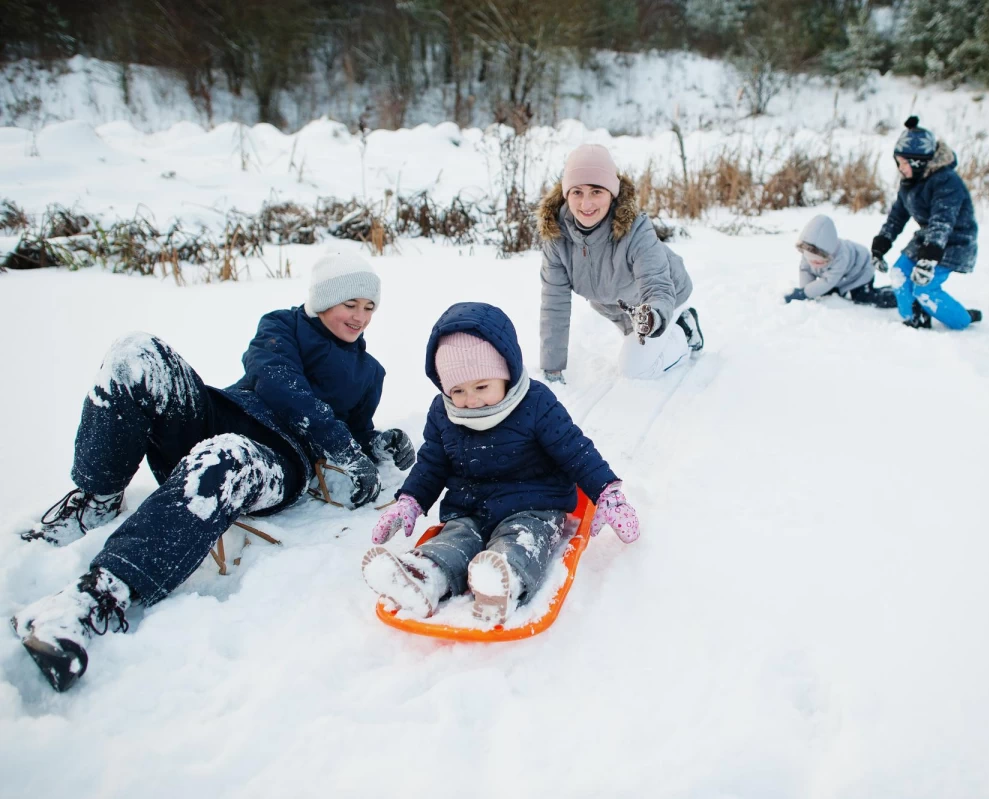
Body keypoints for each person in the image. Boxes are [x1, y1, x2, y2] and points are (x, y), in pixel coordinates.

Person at [12, 251, 414, 692]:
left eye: (369, 307)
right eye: (349, 304)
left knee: (226, 457)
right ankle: (98, 497)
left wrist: (374, 445)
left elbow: (355, 433)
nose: (360, 317)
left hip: (277, 461)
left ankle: (99, 597)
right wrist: (339, 441)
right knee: (136, 351)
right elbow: (276, 380)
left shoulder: (367, 372)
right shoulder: (283, 326)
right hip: (219, 413)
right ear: (322, 300)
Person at [363, 301, 639, 626]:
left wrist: (608, 493)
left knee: (524, 540)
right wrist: (409, 502)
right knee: (455, 539)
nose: (472, 400)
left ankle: (503, 581)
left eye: (482, 386)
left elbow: (574, 450)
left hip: (534, 506)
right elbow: (431, 464)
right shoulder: (443, 413)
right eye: (458, 390)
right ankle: (424, 576)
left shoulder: (536, 403)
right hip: (469, 509)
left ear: (506, 373)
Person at [538, 143, 703, 382]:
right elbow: (555, 303)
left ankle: (685, 332)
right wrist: (552, 369)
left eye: (596, 191)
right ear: (566, 194)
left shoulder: (635, 229)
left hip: (663, 297)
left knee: (636, 369)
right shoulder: (557, 236)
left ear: (612, 193)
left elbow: (657, 285)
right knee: (636, 346)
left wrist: (654, 317)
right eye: (577, 192)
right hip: (619, 306)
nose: (586, 204)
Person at [870, 116, 983, 330]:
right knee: (900, 273)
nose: (900, 168)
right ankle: (914, 319)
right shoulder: (910, 183)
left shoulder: (946, 182)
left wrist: (928, 259)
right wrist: (880, 245)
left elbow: (943, 222)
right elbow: (897, 216)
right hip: (928, 239)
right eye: (898, 162)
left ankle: (963, 319)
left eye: (904, 163)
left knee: (924, 289)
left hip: (954, 241)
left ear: (918, 162)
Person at [783, 213, 897, 308]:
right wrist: (806, 290)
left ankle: (896, 296)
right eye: (811, 261)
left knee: (862, 297)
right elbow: (805, 270)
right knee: (825, 291)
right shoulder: (808, 251)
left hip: (861, 269)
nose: (815, 265)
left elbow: (828, 281)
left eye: (819, 262)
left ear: (828, 255)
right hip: (842, 276)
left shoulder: (841, 257)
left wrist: (805, 293)